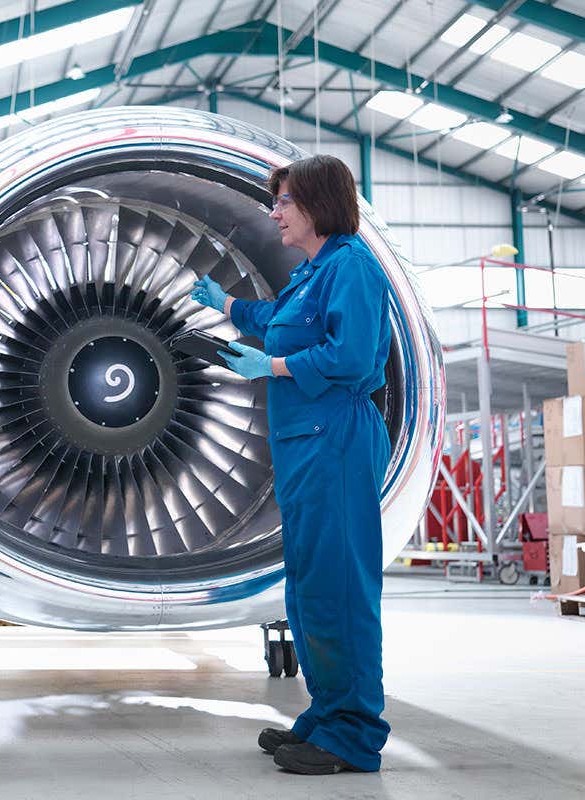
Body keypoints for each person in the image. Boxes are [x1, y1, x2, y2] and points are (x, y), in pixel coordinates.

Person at [191, 154, 392, 776]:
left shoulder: (354, 267)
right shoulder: (315, 271)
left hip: (335, 441)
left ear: (317, 204)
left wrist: (270, 368)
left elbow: (353, 357)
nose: (273, 212)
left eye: (283, 202)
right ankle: (326, 716)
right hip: (305, 445)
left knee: (340, 588)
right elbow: (280, 321)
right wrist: (227, 306)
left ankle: (353, 735)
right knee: (307, 588)